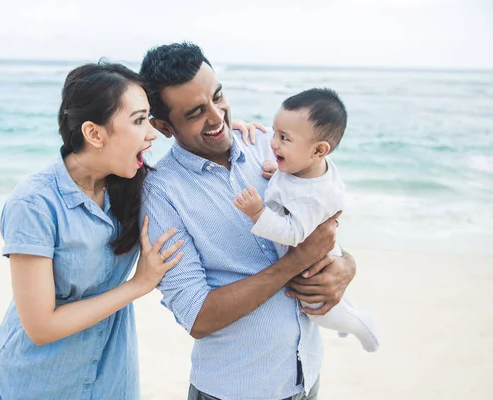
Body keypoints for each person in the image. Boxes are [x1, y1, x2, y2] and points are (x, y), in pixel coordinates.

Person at [139, 42, 357, 400]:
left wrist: (346, 266)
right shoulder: (160, 196)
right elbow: (197, 316)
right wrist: (296, 263)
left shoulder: (268, 145)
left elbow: (320, 217)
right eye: (196, 113)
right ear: (163, 126)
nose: (217, 116)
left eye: (218, 96)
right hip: (234, 390)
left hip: (306, 375)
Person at [0, 62, 187, 400]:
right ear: (94, 134)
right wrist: (138, 285)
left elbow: (201, 175)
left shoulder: (136, 186)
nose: (151, 133)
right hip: (40, 384)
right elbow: (41, 326)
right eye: (139, 120)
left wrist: (234, 134)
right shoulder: (35, 204)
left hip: (113, 382)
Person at [234, 88, 379, 353]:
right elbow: (296, 174)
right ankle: (349, 315)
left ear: (319, 150)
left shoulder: (311, 198)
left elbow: (292, 233)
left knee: (317, 308)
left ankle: (361, 325)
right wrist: (279, 170)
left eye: (284, 138)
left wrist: (257, 213)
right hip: (321, 248)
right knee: (335, 300)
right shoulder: (307, 166)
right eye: (275, 133)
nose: (273, 143)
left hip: (312, 262)